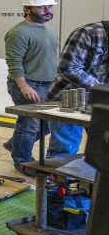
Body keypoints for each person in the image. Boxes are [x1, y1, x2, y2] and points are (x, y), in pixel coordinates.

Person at [3, 0, 59, 174]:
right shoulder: (18, 33)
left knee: (51, 125)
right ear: (27, 9)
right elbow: (14, 61)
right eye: (42, 7)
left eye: (49, 7)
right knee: (29, 125)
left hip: (47, 85)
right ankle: (22, 161)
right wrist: (23, 85)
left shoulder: (50, 32)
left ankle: (16, 144)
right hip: (29, 85)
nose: (48, 10)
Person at [46, 20, 109, 157]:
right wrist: (102, 88)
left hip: (100, 104)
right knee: (64, 149)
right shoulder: (88, 33)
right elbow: (68, 68)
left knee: (102, 153)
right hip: (67, 102)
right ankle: (56, 177)